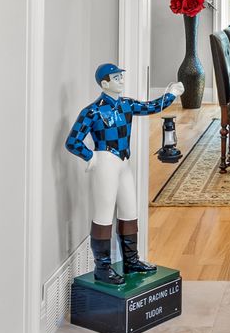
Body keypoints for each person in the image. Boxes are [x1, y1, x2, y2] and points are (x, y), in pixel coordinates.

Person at [64, 64, 180, 283]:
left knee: (129, 210)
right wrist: (91, 157)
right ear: (104, 83)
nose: (121, 80)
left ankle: (131, 260)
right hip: (105, 161)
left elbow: (150, 107)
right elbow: (72, 141)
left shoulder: (126, 105)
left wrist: (172, 94)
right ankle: (102, 268)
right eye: (116, 78)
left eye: (121, 77)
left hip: (124, 162)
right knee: (104, 214)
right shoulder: (93, 111)